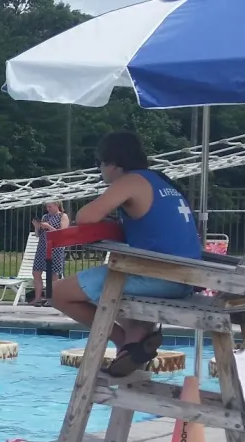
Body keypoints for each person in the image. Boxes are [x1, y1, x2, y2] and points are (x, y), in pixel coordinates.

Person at [54, 132, 202, 377]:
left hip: (157, 277)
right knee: (117, 297)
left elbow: (85, 217)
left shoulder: (130, 181)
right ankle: (137, 336)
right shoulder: (162, 181)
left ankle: (125, 343)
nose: (100, 171)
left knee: (58, 293)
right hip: (187, 280)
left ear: (112, 163)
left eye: (99, 164)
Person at [30, 202, 69, 306]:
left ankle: (51, 299)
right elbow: (38, 235)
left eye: (50, 206)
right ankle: (37, 298)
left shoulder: (63, 216)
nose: (48, 209)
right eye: (47, 207)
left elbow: (62, 234)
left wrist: (49, 227)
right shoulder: (45, 216)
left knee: (52, 274)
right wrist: (37, 227)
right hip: (42, 247)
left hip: (55, 248)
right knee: (36, 272)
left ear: (57, 205)